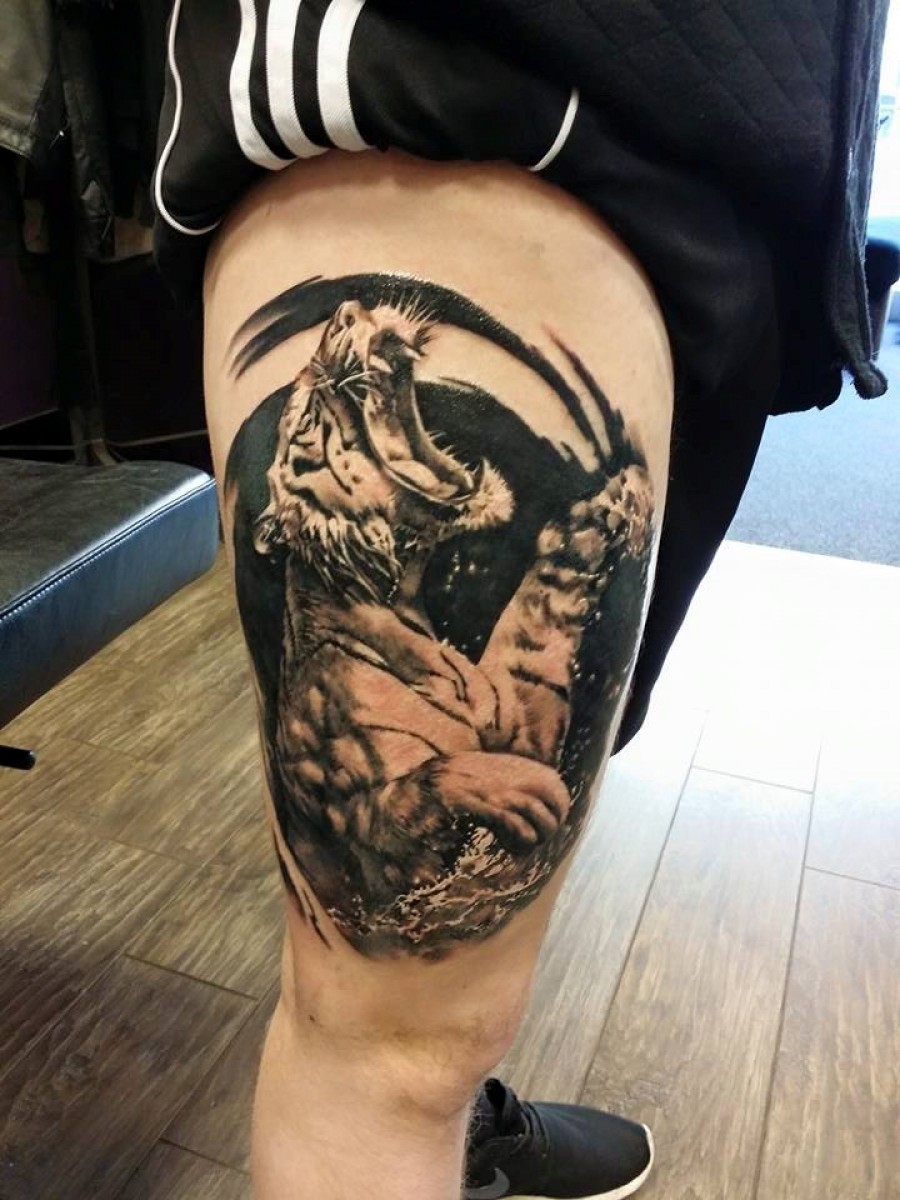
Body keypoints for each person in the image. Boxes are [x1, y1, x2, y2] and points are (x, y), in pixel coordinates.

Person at [153, 4, 888, 1198]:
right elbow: (373, 809)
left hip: (725, 166)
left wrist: (557, 581)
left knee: (552, 787)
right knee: (392, 1040)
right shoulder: (341, 652)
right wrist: (449, 787)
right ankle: (412, 1122)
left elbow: (500, 717)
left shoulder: (406, 620)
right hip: (454, 74)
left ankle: (445, 1124)